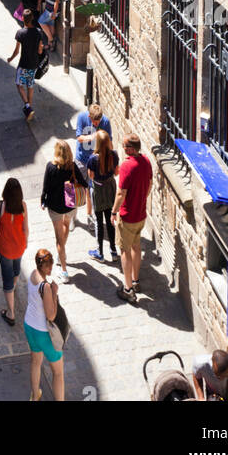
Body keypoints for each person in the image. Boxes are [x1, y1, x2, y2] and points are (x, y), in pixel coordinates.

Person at [111, 133, 153, 303]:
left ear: (130, 148)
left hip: (128, 216)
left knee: (125, 250)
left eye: (124, 146)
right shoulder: (146, 161)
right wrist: (142, 199)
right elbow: (150, 184)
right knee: (136, 246)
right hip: (141, 215)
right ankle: (135, 281)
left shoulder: (127, 166)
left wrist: (114, 212)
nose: (122, 149)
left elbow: (121, 193)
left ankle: (128, 289)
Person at [40, 140, 87, 280]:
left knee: (59, 240)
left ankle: (64, 271)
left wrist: (43, 201)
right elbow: (84, 183)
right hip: (70, 205)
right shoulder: (72, 166)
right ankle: (61, 256)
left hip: (55, 207)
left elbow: (46, 187)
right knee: (66, 226)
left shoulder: (51, 167)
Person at [24, 249, 65, 403]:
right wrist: (54, 293)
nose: (51, 269)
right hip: (43, 333)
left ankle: (35, 396)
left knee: (35, 362)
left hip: (29, 325)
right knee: (58, 373)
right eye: (50, 266)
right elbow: (51, 315)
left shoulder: (33, 274)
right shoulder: (46, 287)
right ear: (45, 266)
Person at [0, 177, 29, 326]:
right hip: (19, 246)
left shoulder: (0, 206)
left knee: (7, 276)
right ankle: (13, 287)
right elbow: (26, 229)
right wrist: (25, 243)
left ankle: (11, 312)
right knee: (16, 268)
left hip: (5, 248)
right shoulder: (23, 206)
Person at [74, 101, 112, 233]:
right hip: (81, 159)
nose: (97, 124)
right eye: (95, 122)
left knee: (90, 190)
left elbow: (109, 141)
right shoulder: (82, 117)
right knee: (76, 188)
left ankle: (90, 217)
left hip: (95, 162)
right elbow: (79, 138)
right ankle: (73, 217)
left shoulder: (105, 121)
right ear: (90, 117)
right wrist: (92, 137)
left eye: (99, 121)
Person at [6, 8, 45, 121]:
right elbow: (40, 51)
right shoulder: (38, 32)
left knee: (19, 84)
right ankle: (30, 109)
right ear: (32, 18)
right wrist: (41, 49)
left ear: (23, 19)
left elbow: (17, 51)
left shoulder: (20, 33)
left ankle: (28, 107)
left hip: (23, 64)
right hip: (34, 64)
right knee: (30, 85)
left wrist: (10, 58)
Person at [87, 130, 119, 263]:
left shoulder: (93, 159)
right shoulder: (114, 155)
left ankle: (99, 252)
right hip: (110, 188)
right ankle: (113, 250)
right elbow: (116, 173)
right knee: (110, 219)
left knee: (99, 222)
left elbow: (91, 176)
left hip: (98, 190)